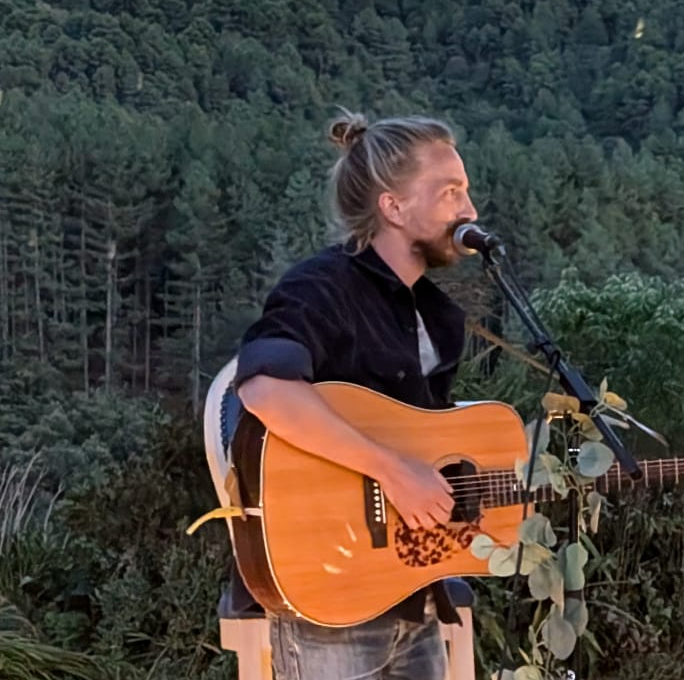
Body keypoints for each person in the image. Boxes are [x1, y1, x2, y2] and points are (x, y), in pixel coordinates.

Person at [232, 109, 479, 680]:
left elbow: (425, 443)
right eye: (451, 192)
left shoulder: (437, 316)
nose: (469, 210)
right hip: (329, 590)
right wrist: (392, 471)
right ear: (393, 207)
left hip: (405, 584)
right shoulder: (321, 288)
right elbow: (265, 388)